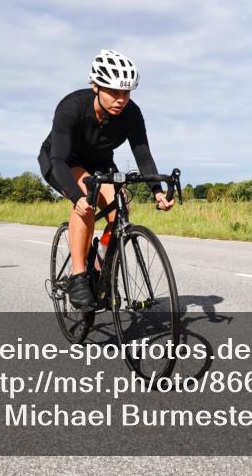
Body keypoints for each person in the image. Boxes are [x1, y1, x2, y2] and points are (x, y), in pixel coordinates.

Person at [38, 50, 174, 309]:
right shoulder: (72, 107)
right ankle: (78, 276)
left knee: (120, 212)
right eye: (114, 92)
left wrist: (157, 190)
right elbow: (57, 160)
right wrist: (77, 198)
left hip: (100, 162)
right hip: (63, 160)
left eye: (127, 93)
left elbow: (143, 156)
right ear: (96, 86)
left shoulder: (132, 114)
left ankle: (100, 266)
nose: (121, 100)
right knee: (86, 203)